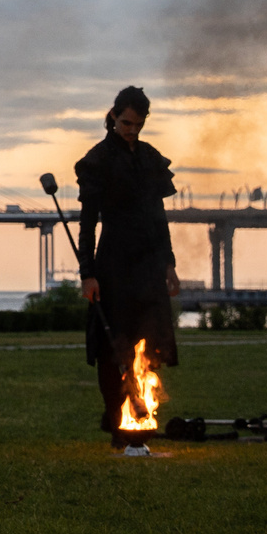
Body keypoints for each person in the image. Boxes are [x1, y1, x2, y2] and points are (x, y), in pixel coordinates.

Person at [76, 86, 178, 451]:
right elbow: (87, 225)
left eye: (138, 124)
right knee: (113, 346)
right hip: (114, 263)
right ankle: (119, 423)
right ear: (114, 117)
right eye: (125, 123)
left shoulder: (150, 159)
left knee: (150, 340)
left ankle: (143, 413)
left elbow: (159, 217)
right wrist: (87, 273)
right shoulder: (98, 161)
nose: (132, 130)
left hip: (149, 263)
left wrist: (169, 264)